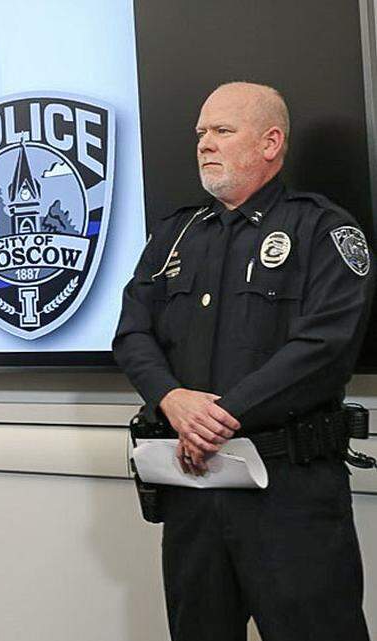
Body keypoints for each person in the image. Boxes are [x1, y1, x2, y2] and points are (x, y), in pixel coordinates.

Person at [114, 82, 373, 641]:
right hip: (194, 489)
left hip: (290, 492)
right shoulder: (174, 236)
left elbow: (323, 348)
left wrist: (221, 415)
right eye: (201, 133)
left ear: (270, 142)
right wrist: (171, 398)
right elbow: (133, 333)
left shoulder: (323, 230)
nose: (205, 143)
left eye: (223, 131)